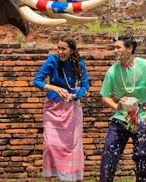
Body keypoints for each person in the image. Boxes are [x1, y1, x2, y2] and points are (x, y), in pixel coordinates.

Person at [99, 35, 146, 182]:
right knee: (109, 153)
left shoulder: (145, 65)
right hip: (121, 117)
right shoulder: (113, 70)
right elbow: (105, 96)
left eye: (118, 47)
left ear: (130, 48)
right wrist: (116, 106)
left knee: (141, 156)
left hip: (144, 116)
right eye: (114, 48)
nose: (115, 51)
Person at [33, 36, 89, 182]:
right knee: (50, 145)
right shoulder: (52, 60)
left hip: (72, 108)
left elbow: (85, 86)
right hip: (52, 108)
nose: (60, 51)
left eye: (63, 49)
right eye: (58, 48)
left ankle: (76, 179)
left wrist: (74, 96)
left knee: (74, 146)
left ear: (72, 50)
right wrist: (55, 88)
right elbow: (37, 81)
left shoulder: (79, 64)